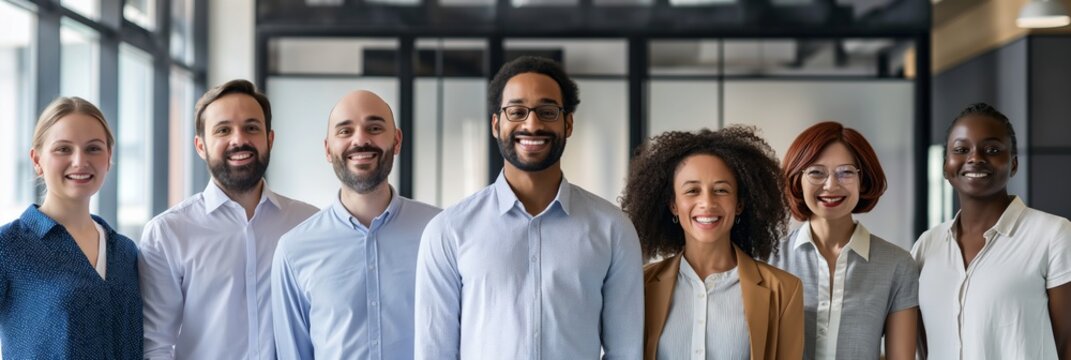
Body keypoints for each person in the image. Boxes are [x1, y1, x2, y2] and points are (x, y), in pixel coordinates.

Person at [413, 56, 644, 359]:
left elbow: (626, 351)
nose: (532, 124)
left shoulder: (613, 229)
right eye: (517, 111)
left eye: (547, 112)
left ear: (568, 123)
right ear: (496, 124)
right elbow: (435, 352)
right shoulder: (448, 231)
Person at [139, 79, 318, 359]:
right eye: (223, 130)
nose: (239, 139)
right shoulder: (168, 232)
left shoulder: (309, 224)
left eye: (251, 128)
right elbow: (155, 344)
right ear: (200, 146)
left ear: (269, 140)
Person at [271, 90, 441, 359]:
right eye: (345, 131)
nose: (360, 140)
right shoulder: (293, 250)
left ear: (396, 141)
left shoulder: (439, 232)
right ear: (328, 149)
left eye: (374, 128)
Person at [620, 126, 803, 360]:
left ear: (740, 204)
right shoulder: (639, 286)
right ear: (673, 205)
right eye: (692, 190)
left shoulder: (784, 291)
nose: (707, 202)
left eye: (721, 190)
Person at [912, 103, 1071, 360]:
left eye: (992, 149)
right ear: (945, 166)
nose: (975, 158)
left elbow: (1067, 344)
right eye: (961, 150)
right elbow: (920, 343)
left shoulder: (1053, 235)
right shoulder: (927, 245)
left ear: (1014, 164)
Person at [0, 97, 142, 358]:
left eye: (93, 149)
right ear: (37, 160)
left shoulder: (124, 251)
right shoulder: (8, 246)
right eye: (63, 149)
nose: (79, 161)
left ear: (109, 157)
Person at [767, 121, 918, 360]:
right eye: (817, 172)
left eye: (846, 172)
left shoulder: (898, 265)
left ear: (863, 179)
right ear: (797, 179)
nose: (831, 185)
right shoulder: (768, 259)